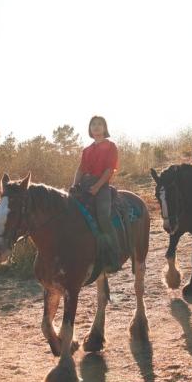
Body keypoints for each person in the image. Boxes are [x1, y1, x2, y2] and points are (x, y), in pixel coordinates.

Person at [72, 115, 120, 269]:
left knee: (103, 217)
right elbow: (80, 169)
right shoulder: (87, 150)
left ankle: (114, 253)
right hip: (85, 184)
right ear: (90, 129)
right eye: (93, 124)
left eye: (100, 124)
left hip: (102, 186)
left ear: (105, 128)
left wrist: (98, 187)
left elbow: (109, 169)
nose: (96, 127)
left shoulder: (111, 146)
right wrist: (74, 185)